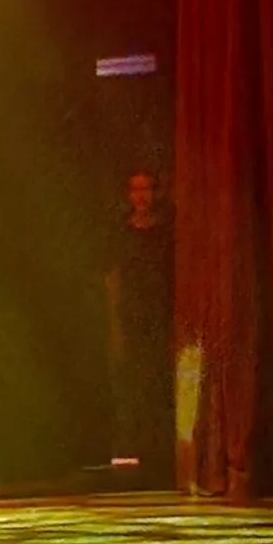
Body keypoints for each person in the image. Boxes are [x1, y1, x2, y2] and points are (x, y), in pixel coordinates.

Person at [104, 167, 170, 469]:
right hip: (131, 314)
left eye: (147, 189)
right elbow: (113, 275)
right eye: (136, 190)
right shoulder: (121, 231)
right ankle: (133, 449)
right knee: (131, 382)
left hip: (161, 313)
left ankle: (160, 449)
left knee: (158, 380)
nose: (141, 196)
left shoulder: (167, 230)